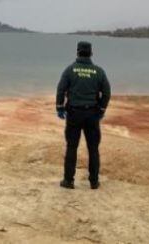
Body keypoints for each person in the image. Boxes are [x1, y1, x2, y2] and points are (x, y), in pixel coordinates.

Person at [55, 40, 110, 190]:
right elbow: (106, 92)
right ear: (91, 53)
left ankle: (68, 181)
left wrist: (60, 107)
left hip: (74, 113)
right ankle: (93, 181)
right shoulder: (99, 72)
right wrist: (101, 110)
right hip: (92, 114)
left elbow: (60, 90)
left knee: (72, 146)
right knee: (93, 148)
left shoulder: (70, 70)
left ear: (77, 52)